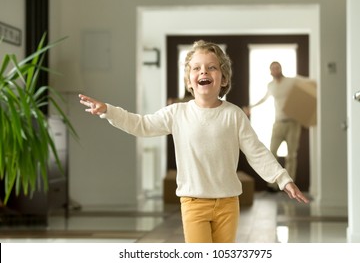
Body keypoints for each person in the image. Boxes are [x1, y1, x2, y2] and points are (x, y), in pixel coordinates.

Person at [79, 40, 309, 243]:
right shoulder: (177, 113)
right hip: (193, 203)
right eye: (196, 68)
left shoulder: (234, 115)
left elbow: (257, 152)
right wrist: (108, 111)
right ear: (189, 80)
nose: (203, 72)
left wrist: (283, 179)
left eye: (211, 67)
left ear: (224, 77)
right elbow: (141, 125)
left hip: (228, 203)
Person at [243, 61, 313, 192]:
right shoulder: (271, 85)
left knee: (291, 155)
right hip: (278, 123)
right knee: (272, 152)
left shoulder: (291, 81)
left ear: (281, 69)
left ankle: (290, 186)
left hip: (293, 123)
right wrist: (250, 107)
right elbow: (263, 99)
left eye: (277, 67)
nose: (275, 70)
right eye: (273, 68)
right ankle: (274, 185)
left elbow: (306, 86)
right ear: (270, 71)